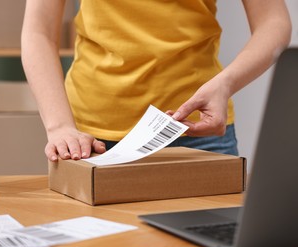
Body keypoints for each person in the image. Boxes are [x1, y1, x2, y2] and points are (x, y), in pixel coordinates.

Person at [21, 0, 291, 162]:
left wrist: (226, 84)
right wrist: (59, 127)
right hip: (90, 138)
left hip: (197, 130)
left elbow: (273, 21)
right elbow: (39, 31)